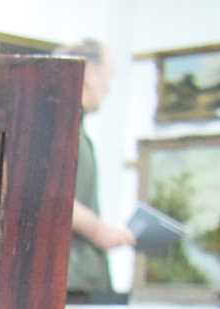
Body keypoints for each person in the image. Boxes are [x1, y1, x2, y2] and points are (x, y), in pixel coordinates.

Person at [60, 39, 134, 293]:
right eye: (107, 76)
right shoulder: (59, 127)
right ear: (89, 74)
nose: (109, 87)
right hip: (69, 280)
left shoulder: (77, 130)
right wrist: (100, 230)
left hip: (81, 278)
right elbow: (51, 196)